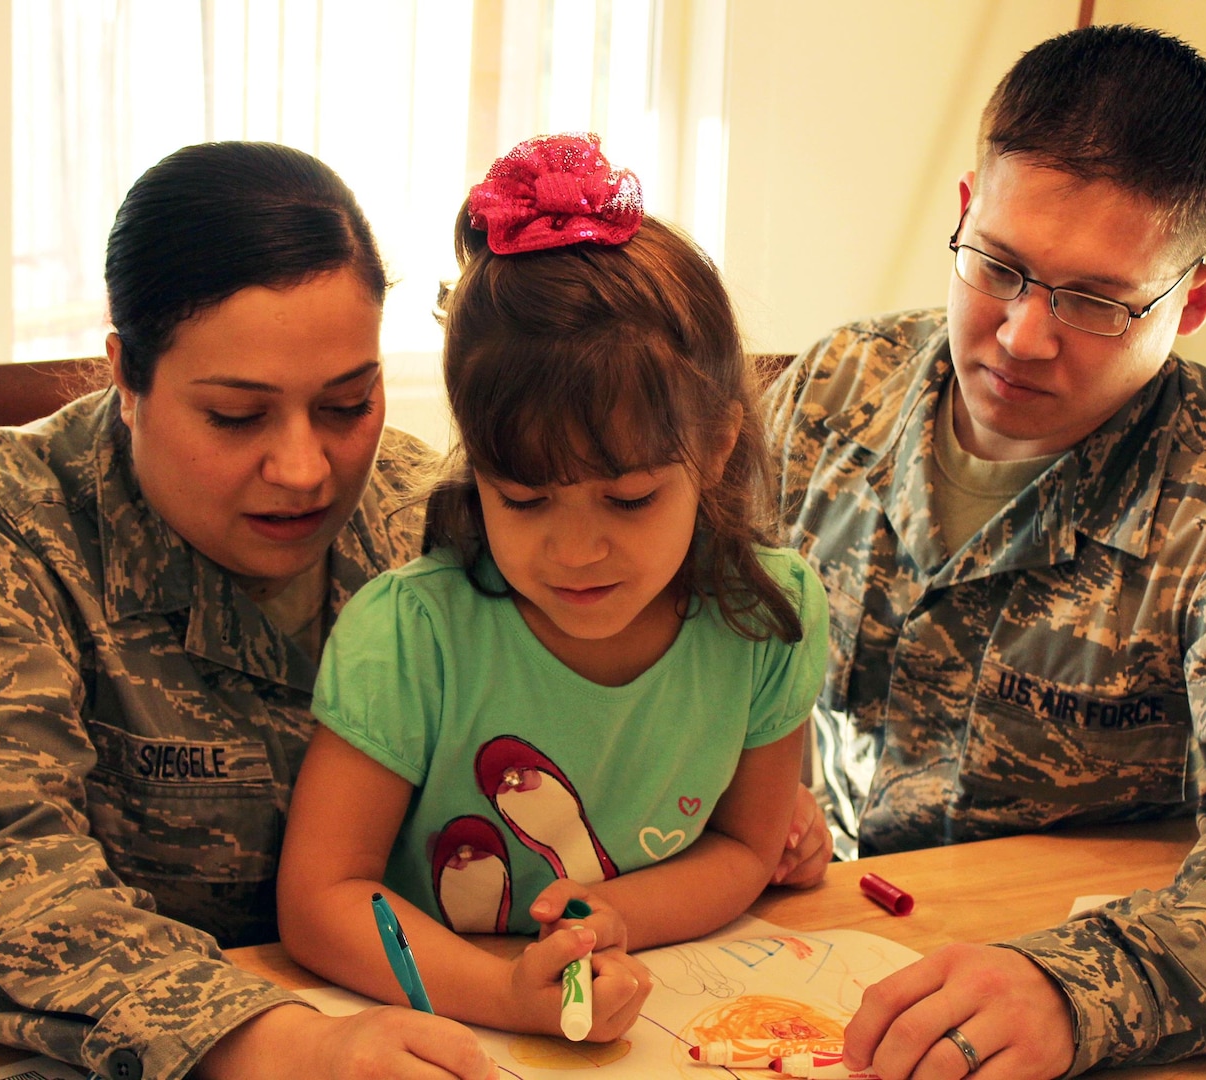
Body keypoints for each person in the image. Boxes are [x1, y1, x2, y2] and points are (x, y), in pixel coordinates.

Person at [767, 25, 1206, 1080]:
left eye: (1094, 300)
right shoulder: (832, 391)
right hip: (800, 963)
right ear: (964, 213)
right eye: (998, 266)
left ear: (1198, 300)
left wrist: (1087, 985)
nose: (1023, 335)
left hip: (1054, 1019)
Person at [0, 141, 498, 1080]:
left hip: (382, 1023)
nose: (304, 469)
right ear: (125, 379)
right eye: (234, 416)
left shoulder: (425, 521)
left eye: (347, 403)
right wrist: (285, 1043)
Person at [275, 133, 830, 1040]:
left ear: (719, 447)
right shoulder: (411, 635)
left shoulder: (767, 615)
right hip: (439, 1025)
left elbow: (743, 847)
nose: (576, 553)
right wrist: (502, 997)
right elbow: (322, 898)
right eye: (524, 499)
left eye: (629, 498)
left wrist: (621, 917)